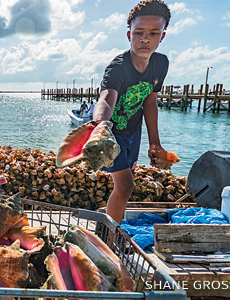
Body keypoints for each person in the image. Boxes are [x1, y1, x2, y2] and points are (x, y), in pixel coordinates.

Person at [91, 0, 171, 225]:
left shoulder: (160, 64)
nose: (145, 38)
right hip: (109, 134)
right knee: (125, 185)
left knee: (124, 186)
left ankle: (107, 226)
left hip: (133, 134)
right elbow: (107, 97)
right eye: (139, 32)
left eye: (153, 33)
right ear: (129, 35)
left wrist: (154, 143)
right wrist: (99, 126)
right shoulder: (118, 67)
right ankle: (108, 236)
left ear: (162, 36)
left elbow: (150, 103)